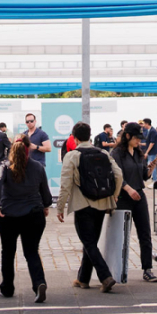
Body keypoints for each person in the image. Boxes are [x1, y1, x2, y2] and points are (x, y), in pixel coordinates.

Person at [57, 121, 123, 293]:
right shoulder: (103, 153)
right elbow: (119, 174)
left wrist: (60, 207)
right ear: (90, 135)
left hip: (82, 204)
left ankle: (105, 276)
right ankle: (83, 279)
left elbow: (65, 184)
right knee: (90, 241)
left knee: (88, 242)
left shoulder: (72, 156)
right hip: (102, 203)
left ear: (75, 137)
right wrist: (114, 195)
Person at [0, 137, 52, 302]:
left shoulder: (5, 166)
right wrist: (45, 206)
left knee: (8, 252)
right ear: (28, 148)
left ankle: (7, 287)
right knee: (31, 251)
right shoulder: (38, 167)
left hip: (8, 215)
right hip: (33, 214)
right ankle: (39, 283)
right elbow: (45, 192)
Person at [111, 122, 157, 282]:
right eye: (136, 138)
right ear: (127, 136)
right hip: (124, 198)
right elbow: (117, 176)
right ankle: (117, 269)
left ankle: (147, 269)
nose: (139, 141)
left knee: (145, 233)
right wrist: (128, 189)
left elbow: (144, 176)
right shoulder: (117, 153)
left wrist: (150, 169)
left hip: (139, 195)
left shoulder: (139, 153)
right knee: (121, 235)